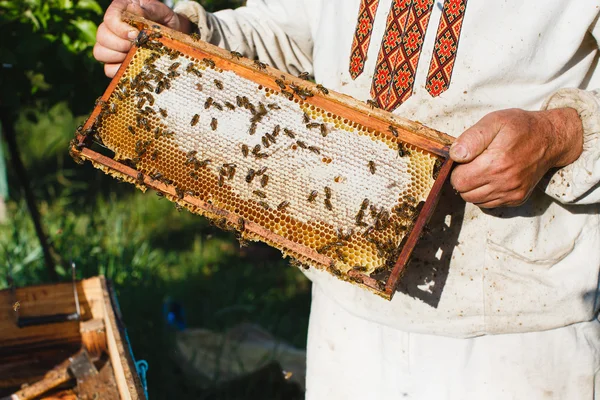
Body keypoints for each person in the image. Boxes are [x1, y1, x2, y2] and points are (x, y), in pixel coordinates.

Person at [94, 1, 600, 398]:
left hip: (514, 326)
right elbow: (289, 25)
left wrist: (561, 134)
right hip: (347, 302)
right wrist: (186, 34)